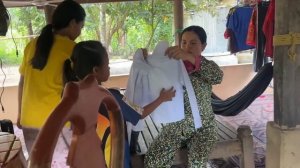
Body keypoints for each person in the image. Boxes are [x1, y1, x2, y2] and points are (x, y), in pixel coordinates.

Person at [63, 40, 175, 168]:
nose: (109, 67)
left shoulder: (69, 94)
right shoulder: (110, 97)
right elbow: (140, 113)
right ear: (95, 70)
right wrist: (162, 98)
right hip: (114, 160)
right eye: (107, 64)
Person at [144, 25, 224, 167]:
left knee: (198, 161)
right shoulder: (172, 65)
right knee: (153, 160)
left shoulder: (205, 66)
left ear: (203, 46)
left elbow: (218, 76)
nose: (187, 47)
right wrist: (147, 61)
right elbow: (153, 71)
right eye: (184, 42)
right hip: (176, 126)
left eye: (193, 43)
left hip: (204, 127)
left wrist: (189, 57)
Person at [18, 0, 86, 154]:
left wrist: (20, 113)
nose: (80, 32)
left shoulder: (32, 45)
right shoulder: (72, 49)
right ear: (72, 23)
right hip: (56, 123)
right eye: (81, 27)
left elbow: (23, 82)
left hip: (28, 120)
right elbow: (79, 88)